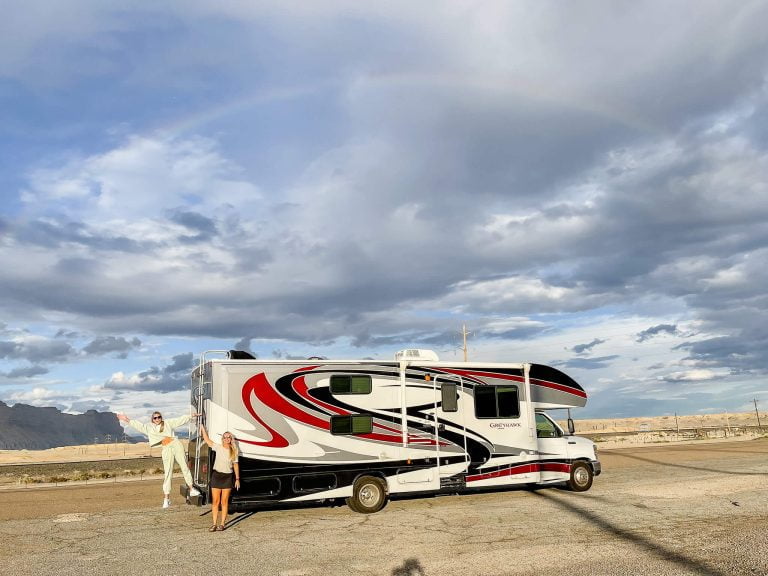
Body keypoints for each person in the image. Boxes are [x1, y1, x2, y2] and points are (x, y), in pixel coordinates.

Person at [117, 411, 201, 508]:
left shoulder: (168, 423)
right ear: (152, 420)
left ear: (161, 417)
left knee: (184, 466)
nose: (157, 419)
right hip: (166, 448)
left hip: (175, 444)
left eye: (159, 417)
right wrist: (126, 419)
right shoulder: (150, 428)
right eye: (155, 418)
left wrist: (191, 416)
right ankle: (166, 498)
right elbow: (139, 426)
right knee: (168, 472)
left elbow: (180, 420)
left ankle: (191, 489)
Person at [199, 424, 240, 531]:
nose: (226, 439)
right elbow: (207, 440)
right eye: (225, 437)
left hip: (227, 477)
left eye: (228, 437)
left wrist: (237, 479)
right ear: (222, 439)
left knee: (224, 502)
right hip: (217, 476)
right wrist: (203, 428)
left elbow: (235, 465)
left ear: (231, 439)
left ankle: (222, 524)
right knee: (216, 502)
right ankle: (214, 524)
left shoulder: (234, 450)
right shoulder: (218, 447)